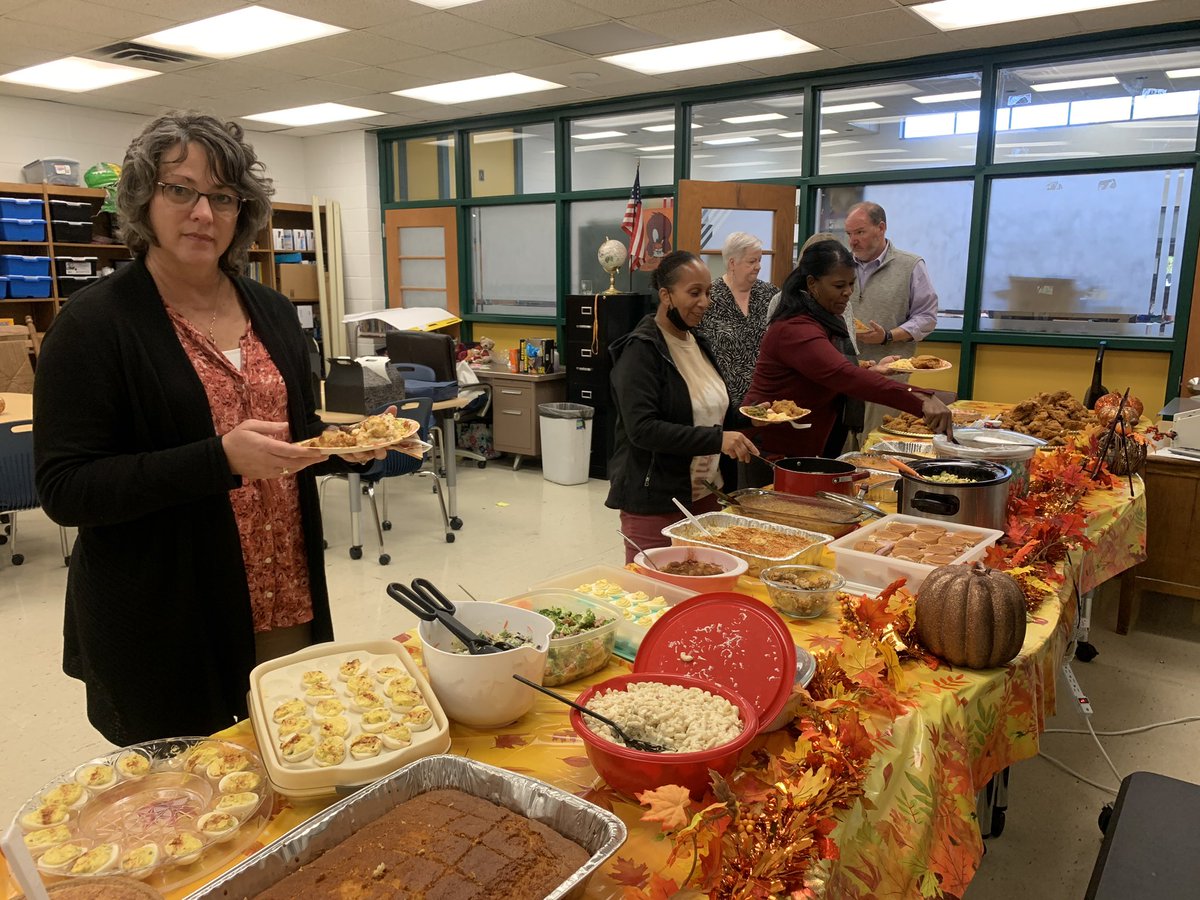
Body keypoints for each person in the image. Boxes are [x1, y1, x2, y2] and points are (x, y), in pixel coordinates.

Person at [33, 112, 388, 745]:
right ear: (143, 198)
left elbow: (292, 433)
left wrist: (346, 451)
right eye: (181, 190)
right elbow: (66, 488)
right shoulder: (94, 325)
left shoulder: (272, 309)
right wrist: (219, 459)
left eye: (223, 196)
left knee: (293, 762)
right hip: (169, 609)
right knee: (197, 802)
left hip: (283, 591)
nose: (203, 212)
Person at [743, 240, 951, 469]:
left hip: (807, 445)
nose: (848, 293)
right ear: (812, 284)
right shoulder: (796, 329)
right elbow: (843, 374)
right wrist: (920, 397)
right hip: (771, 451)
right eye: (839, 285)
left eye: (851, 284)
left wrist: (869, 369)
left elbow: (828, 369)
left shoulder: (824, 318)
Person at [606, 251, 758, 563]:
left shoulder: (698, 342)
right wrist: (718, 439)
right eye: (694, 293)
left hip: (705, 496)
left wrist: (753, 418)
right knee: (653, 596)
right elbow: (643, 430)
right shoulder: (641, 351)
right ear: (666, 295)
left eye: (707, 292)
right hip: (656, 502)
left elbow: (712, 411)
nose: (704, 302)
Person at [843, 201, 939, 443]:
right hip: (844, 373)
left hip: (888, 378)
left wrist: (888, 336)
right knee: (840, 451)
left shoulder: (910, 265)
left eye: (860, 232)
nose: (853, 241)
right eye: (849, 234)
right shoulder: (841, 265)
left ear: (881, 228)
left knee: (876, 446)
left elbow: (926, 317)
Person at [694, 232, 779, 410]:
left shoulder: (770, 295)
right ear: (732, 263)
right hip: (723, 403)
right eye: (752, 261)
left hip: (768, 399)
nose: (758, 267)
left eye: (759, 260)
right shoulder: (709, 298)